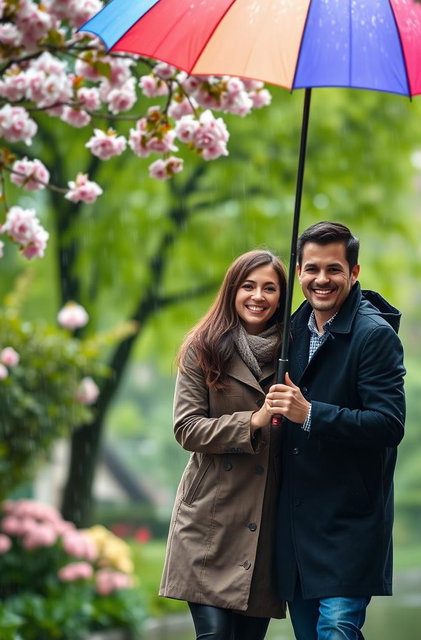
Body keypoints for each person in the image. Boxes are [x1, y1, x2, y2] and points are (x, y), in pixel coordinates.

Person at [265, 222, 406, 640]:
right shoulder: (287, 334)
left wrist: (310, 413)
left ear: (354, 272)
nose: (321, 280)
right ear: (299, 270)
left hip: (350, 524)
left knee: (338, 630)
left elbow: (388, 424)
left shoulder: (374, 336)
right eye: (311, 269)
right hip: (296, 525)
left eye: (333, 269)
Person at [159, 249, 287, 640]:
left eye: (270, 288)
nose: (258, 296)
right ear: (232, 291)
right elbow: (187, 428)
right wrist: (254, 421)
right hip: (208, 522)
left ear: (282, 297)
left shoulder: (294, 353)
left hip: (261, 525)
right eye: (248, 286)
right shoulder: (204, 348)